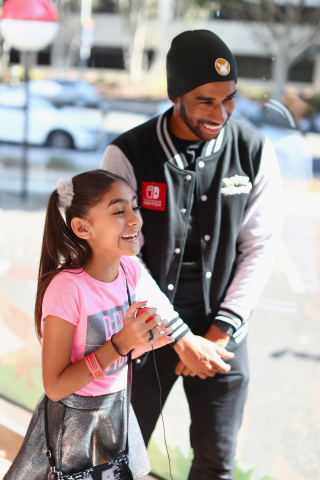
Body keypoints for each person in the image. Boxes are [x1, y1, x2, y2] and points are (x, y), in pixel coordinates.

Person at [101, 30, 282, 480]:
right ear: (176, 94)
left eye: (230, 99)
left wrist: (216, 337)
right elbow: (121, 257)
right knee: (117, 460)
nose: (220, 113)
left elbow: (260, 248)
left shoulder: (255, 152)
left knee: (216, 464)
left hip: (222, 335)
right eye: (206, 101)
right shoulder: (128, 154)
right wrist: (181, 337)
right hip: (141, 335)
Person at [3, 168, 194, 480]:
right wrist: (120, 344)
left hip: (116, 409)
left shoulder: (130, 270)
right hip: (73, 425)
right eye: (119, 211)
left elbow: (120, 352)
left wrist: (142, 343)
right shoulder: (68, 288)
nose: (135, 219)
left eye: (135, 206)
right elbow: (55, 386)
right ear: (81, 227)